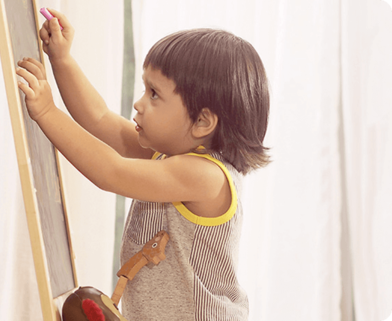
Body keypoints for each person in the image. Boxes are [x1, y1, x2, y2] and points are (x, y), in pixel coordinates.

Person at [16, 8, 270, 321]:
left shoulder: (205, 176)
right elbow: (99, 118)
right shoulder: (171, 159)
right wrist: (62, 60)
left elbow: (111, 172)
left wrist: (46, 112)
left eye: (154, 94)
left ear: (202, 121)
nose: (139, 104)